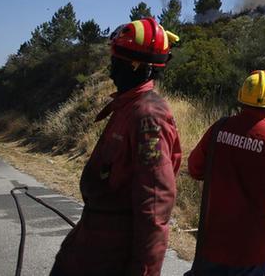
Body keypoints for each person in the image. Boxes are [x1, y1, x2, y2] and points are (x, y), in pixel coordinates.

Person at [50, 17, 182, 276]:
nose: (111, 71)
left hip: (111, 255)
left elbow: (155, 206)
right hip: (90, 243)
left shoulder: (148, 116)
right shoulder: (129, 106)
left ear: (138, 67)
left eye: (117, 62)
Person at [187, 70, 265, 276]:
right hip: (251, 251)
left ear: (242, 97)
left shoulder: (219, 129)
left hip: (213, 241)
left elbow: (194, 167)